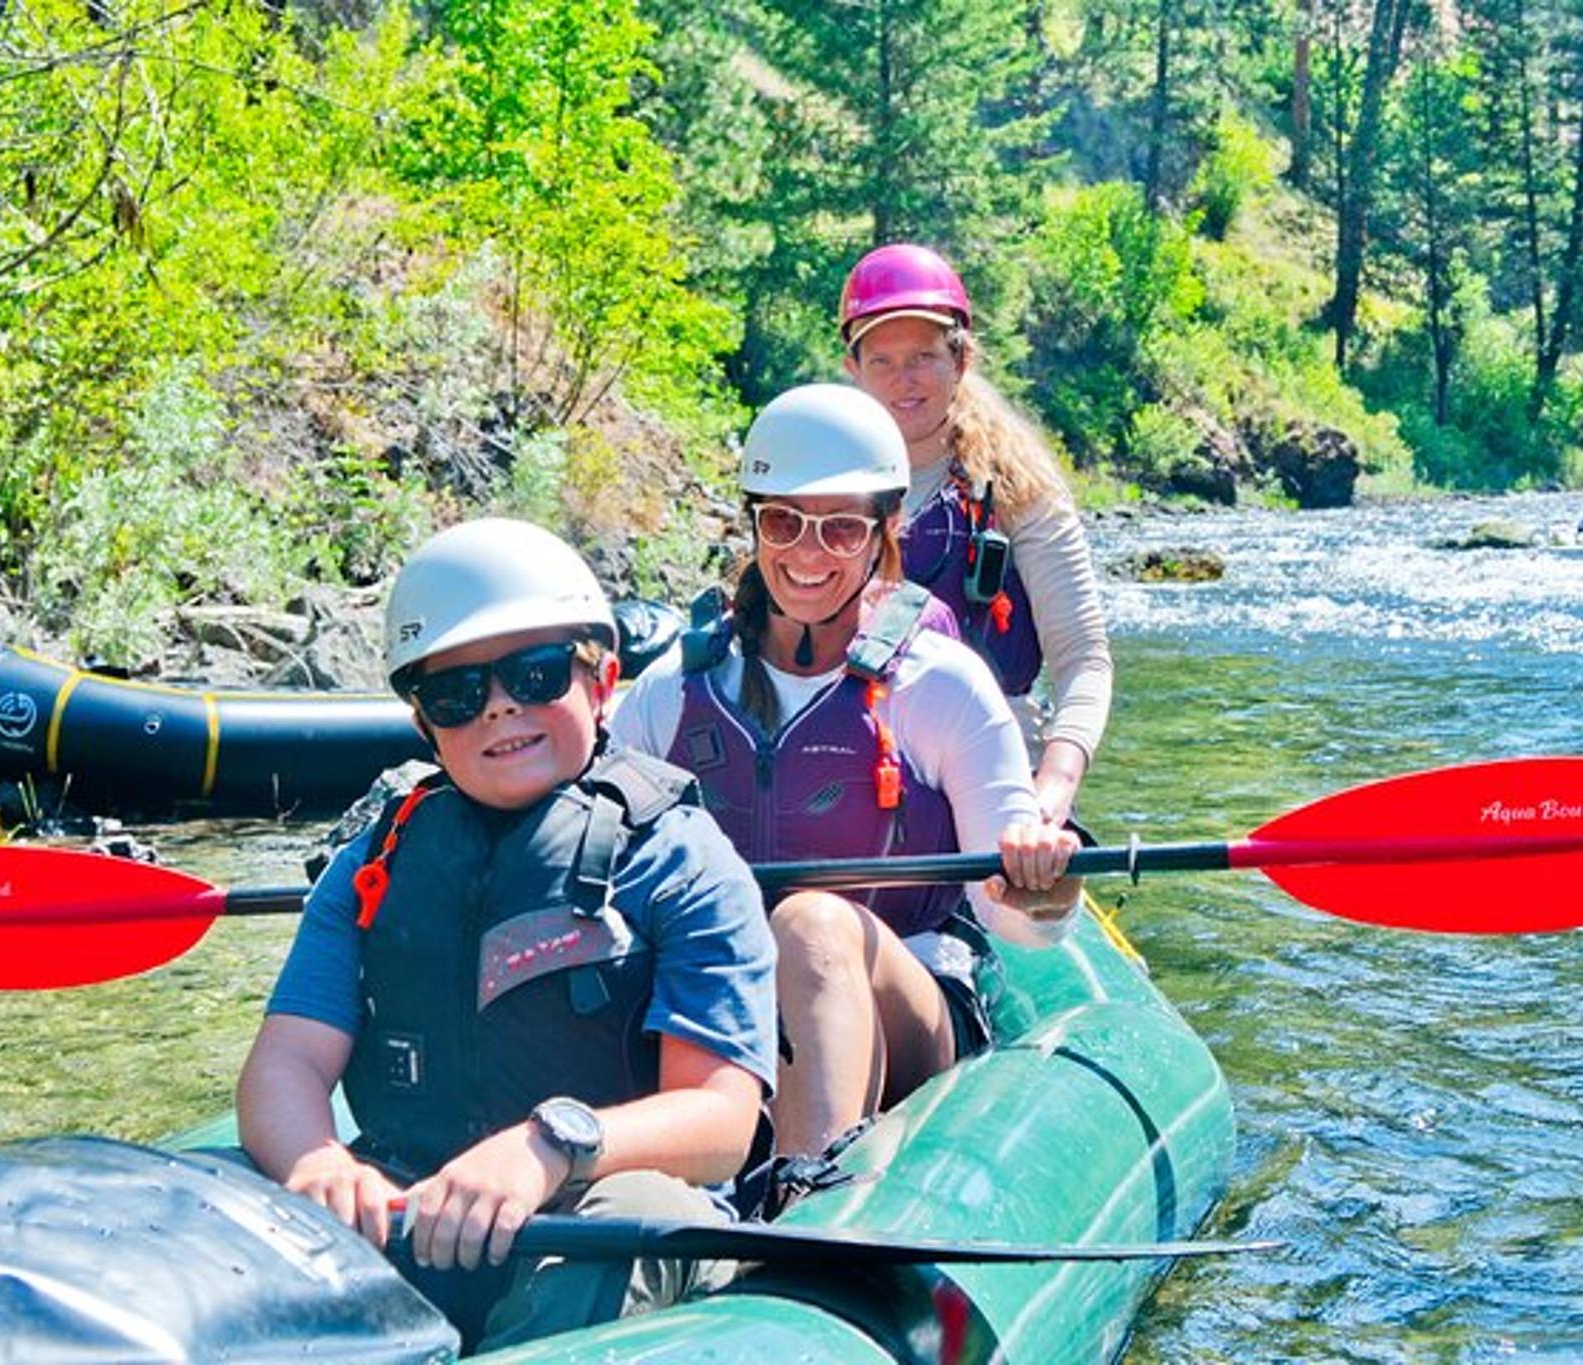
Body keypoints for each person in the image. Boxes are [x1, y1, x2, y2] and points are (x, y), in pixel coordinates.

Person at [236, 518, 777, 1352]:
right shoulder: (373, 864)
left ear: (602, 682)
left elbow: (720, 1120)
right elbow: (289, 1061)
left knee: (645, 1209)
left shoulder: (681, 858)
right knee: (221, 1198)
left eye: (535, 673)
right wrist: (316, 1164)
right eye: (457, 693)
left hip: (596, 1213)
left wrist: (550, 1147)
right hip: (417, 1209)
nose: (498, 707)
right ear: (424, 724)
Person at [610, 384, 1083, 1160]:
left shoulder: (940, 685)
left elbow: (1019, 925)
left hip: (910, 1007)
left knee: (811, 922)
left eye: (839, 529)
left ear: (885, 531)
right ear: (755, 523)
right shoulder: (676, 690)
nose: (806, 552)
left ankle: (809, 1198)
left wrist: (1040, 879)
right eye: (785, 522)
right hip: (719, 1008)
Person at [839, 243, 1115, 827]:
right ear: (853, 370)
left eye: (923, 357)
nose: (903, 381)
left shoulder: (1020, 487)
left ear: (960, 360)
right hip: (854, 769)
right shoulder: (821, 488)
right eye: (882, 361)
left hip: (998, 773)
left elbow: (1084, 659)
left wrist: (1055, 786)